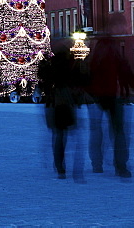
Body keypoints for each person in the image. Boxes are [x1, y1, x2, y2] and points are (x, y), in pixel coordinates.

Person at [86, 35, 134, 177]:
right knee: (118, 132)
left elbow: (87, 75)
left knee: (96, 131)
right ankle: (120, 166)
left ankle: (97, 164)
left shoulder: (94, 57)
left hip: (97, 97)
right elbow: (126, 72)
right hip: (114, 96)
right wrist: (130, 86)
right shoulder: (116, 55)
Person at [39, 49, 85, 179]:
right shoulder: (68, 71)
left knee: (58, 134)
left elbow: (42, 81)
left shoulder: (50, 70)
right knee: (62, 134)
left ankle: (59, 165)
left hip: (54, 104)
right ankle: (61, 165)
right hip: (65, 104)